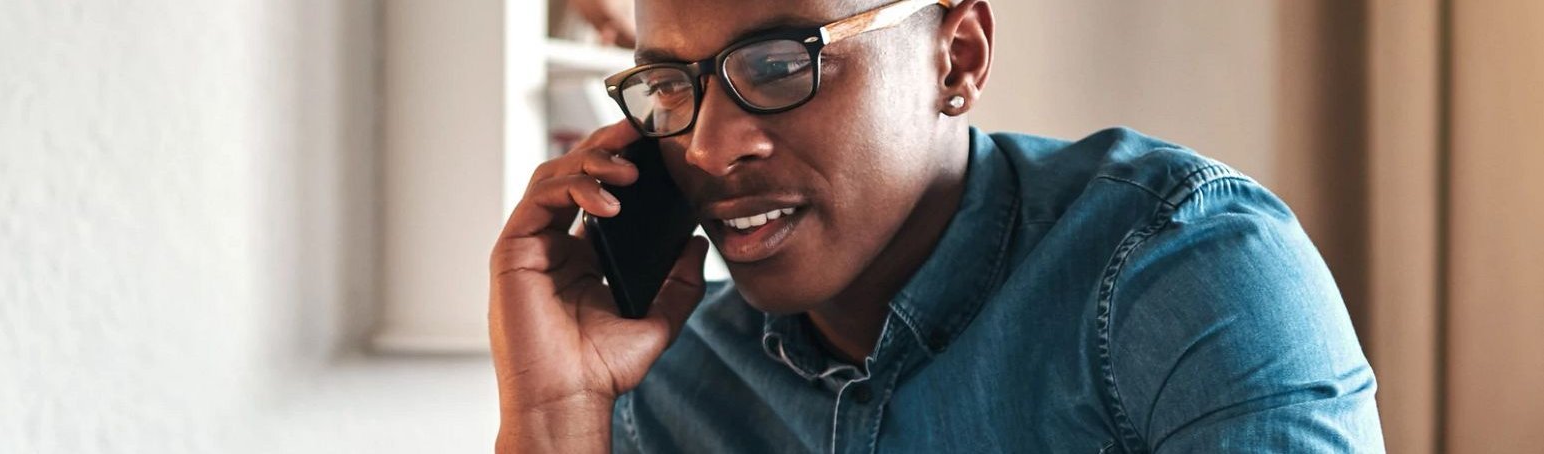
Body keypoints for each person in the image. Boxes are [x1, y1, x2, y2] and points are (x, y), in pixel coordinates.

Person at [487, 0, 1384, 452]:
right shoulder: (668, 384)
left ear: (955, 57)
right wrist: (554, 413)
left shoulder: (1182, 270)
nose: (712, 146)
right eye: (671, 87)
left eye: (778, 63)